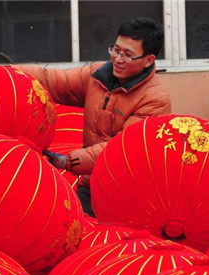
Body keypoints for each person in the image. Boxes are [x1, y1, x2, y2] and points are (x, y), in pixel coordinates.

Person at [17, 17, 172, 216]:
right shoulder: (97, 74)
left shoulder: (155, 99)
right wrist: (11, 74)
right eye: (115, 50)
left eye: (127, 55)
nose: (117, 59)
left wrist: (69, 162)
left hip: (128, 192)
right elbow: (56, 81)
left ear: (149, 60)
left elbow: (121, 148)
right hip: (90, 184)